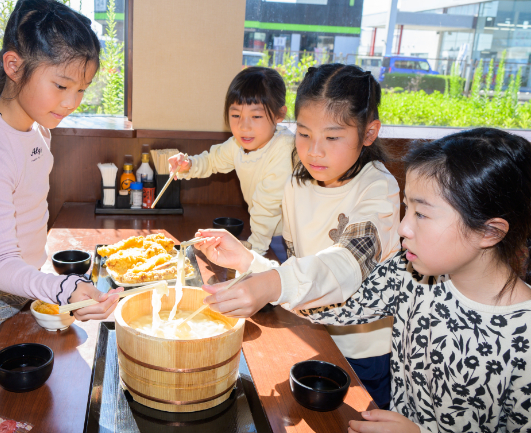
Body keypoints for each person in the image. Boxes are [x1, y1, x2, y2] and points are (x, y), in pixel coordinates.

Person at [195, 64, 401, 408]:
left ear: (369, 133)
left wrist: (270, 283)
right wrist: (248, 260)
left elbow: (344, 265)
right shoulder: (298, 181)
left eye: (332, 137)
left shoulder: (378, 189)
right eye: (304, 134)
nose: (314, 151)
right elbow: (300, 271)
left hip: (363, 354)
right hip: (310, 333)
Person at [310, 128, 531, 433]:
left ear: (489, 232)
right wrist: (257, 271)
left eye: (422, 214)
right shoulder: (409, 271)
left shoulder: (525, 339)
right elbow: (336, 304)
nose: (403, 227)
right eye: (407, 207)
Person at [0, 0, 121, 373]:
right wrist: (64, 289)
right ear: (14, 66)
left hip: (26, 278)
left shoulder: (37, 128)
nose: (72, 102)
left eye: (82, 90)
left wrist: (59, 287)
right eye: (61, 85)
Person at [168, 67, 294, 255]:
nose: (244, 126)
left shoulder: (284, 148)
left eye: (256, 116)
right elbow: (212, 161)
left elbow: (266, 206)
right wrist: (189, 165)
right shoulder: (238, 144)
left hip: (289, 237)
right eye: (236, 115)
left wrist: (253, 251)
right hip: (267, 231)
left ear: (279, 115)